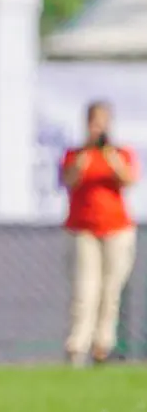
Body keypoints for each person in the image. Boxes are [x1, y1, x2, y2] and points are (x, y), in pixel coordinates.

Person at [60, 100, 139, 366]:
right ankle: (77, 345)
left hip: (116, 228)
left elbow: (128, 179)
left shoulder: (119, 153)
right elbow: (69, 180)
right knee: (85, 289)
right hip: (83, 229)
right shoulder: (76, 154)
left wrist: (108, 154)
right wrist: (86, 154)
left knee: (110, 289)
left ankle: (103, 344)